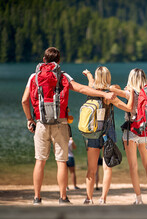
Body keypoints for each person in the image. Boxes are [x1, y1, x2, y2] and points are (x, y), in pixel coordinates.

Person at [21, 47, 115, 205]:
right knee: (61, 161)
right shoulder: (62, 75)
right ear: (59, 61)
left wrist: (30, 119)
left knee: (39, 161)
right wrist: (104, 94)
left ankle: (37, 198)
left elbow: (24, 101)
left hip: (41, 123)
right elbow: (81, 88)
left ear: (44, 60)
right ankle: (63, 197)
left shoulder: (33, 77)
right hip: (61, 123)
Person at [109, 68, 147, 204]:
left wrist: (111, 87)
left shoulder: (129, 92)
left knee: (133, 166)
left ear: (131, 78)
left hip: (131, 132)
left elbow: (112, 90)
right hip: (145, 131)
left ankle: (138, 199)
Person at [82, 66, 133, 204]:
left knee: (91, 169)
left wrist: (88, 74)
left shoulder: (91, 89)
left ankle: (88, 198)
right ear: (108, 77)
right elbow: (127, 108)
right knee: (107, 167)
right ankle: (103, 198)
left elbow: (91, 80)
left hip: (92, 132)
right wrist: (131, 94)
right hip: (107, 133)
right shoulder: (109, 94)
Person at [67, 126, 79, 190]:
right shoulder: (70, 140)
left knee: (64, 172)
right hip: (71, 157)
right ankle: (74, 186)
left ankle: (66, 186)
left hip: (64, 157)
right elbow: (74, 147)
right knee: (72, 172)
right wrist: (72, 141)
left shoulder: (62, 139)